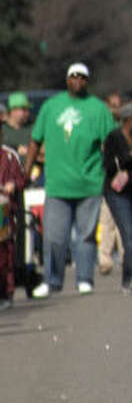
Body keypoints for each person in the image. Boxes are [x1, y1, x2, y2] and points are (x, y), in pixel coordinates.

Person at [25, 63, 116, 298]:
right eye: (73, 76)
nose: (77, 80)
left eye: (82, 77)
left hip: (89, 183)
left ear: (88, 81)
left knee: (85, 236)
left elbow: (111, 144)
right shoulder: (51, 106)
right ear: (66, 80)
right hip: (57, 183)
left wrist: (112, 173)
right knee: (54, 236)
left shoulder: (98, 109)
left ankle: (85, 279)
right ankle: (52, 280)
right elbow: (35, 140)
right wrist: (26, 171)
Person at [102, 103, 132, 294]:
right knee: (127, 233)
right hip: (117, 192)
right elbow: (109, 164)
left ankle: (127, 279)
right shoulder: (113, 137)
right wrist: (130, 156)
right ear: (129, 119)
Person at [0, 142, 24, 308]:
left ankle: (5, 293)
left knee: (4, 252)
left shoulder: (9, 155)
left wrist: (13, 184)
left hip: (3, 210)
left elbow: (22, 178)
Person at [2, 92, 33, 161]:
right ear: (13, 110)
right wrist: (16, 149)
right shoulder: (2, 130)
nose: (27, 113)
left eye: (28, 110)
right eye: (24, 109)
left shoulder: (33, 129)